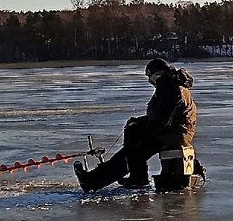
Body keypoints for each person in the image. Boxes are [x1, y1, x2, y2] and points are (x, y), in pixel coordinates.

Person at [74, 58, 204, 192]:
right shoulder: (170, 84)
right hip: (175, 132)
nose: (150, 81)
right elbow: (161, 116)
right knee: (132, 139)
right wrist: (138, 122)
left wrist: (141, 126)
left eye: (150, 76)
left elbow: (162, 121)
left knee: (133, 151)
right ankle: (130, 177)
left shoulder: (170, 88)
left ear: (157, 74)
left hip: (173, 134)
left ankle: (99, 180)